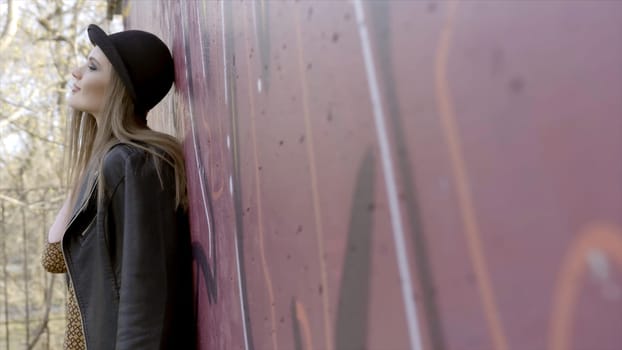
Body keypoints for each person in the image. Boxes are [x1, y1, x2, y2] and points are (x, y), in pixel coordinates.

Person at [41, 24, 195, 349]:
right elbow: (54, 256)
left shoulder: (133, 164)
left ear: (121, 89)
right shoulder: (103, 162)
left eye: (93, 67)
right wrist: (90, 153)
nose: (76, 71)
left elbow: (146, 291)